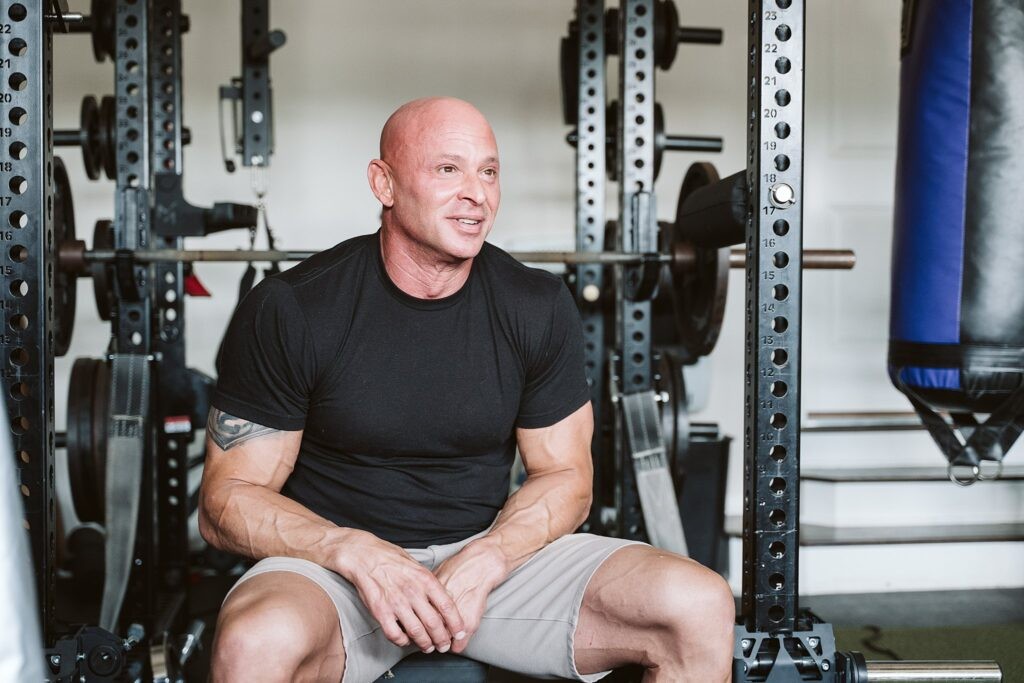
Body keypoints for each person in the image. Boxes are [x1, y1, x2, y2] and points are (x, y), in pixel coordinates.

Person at [199, 97, 734, 683]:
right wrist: (356, 553)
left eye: (489, 171)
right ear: (385, 183)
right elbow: (227, 501)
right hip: (339, 576)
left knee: (697, 604)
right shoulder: (295, 308)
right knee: (256, 643)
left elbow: (567, 477)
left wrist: (491, 555)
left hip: (490, 566)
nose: (476, 193)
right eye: (448, 169)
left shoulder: (534, 304)